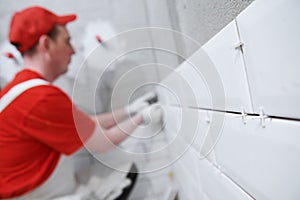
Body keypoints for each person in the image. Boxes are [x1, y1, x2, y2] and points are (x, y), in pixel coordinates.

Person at [0, 6, 162, 199]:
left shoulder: (20, 91)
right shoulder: (40, 97)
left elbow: (84, 125)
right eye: (67, 41)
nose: (73, 51)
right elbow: (104, 141)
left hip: (32, 191)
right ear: (46, 44)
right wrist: (143, 118)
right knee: (120, 178)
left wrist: (130, 110)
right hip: (32, 195)